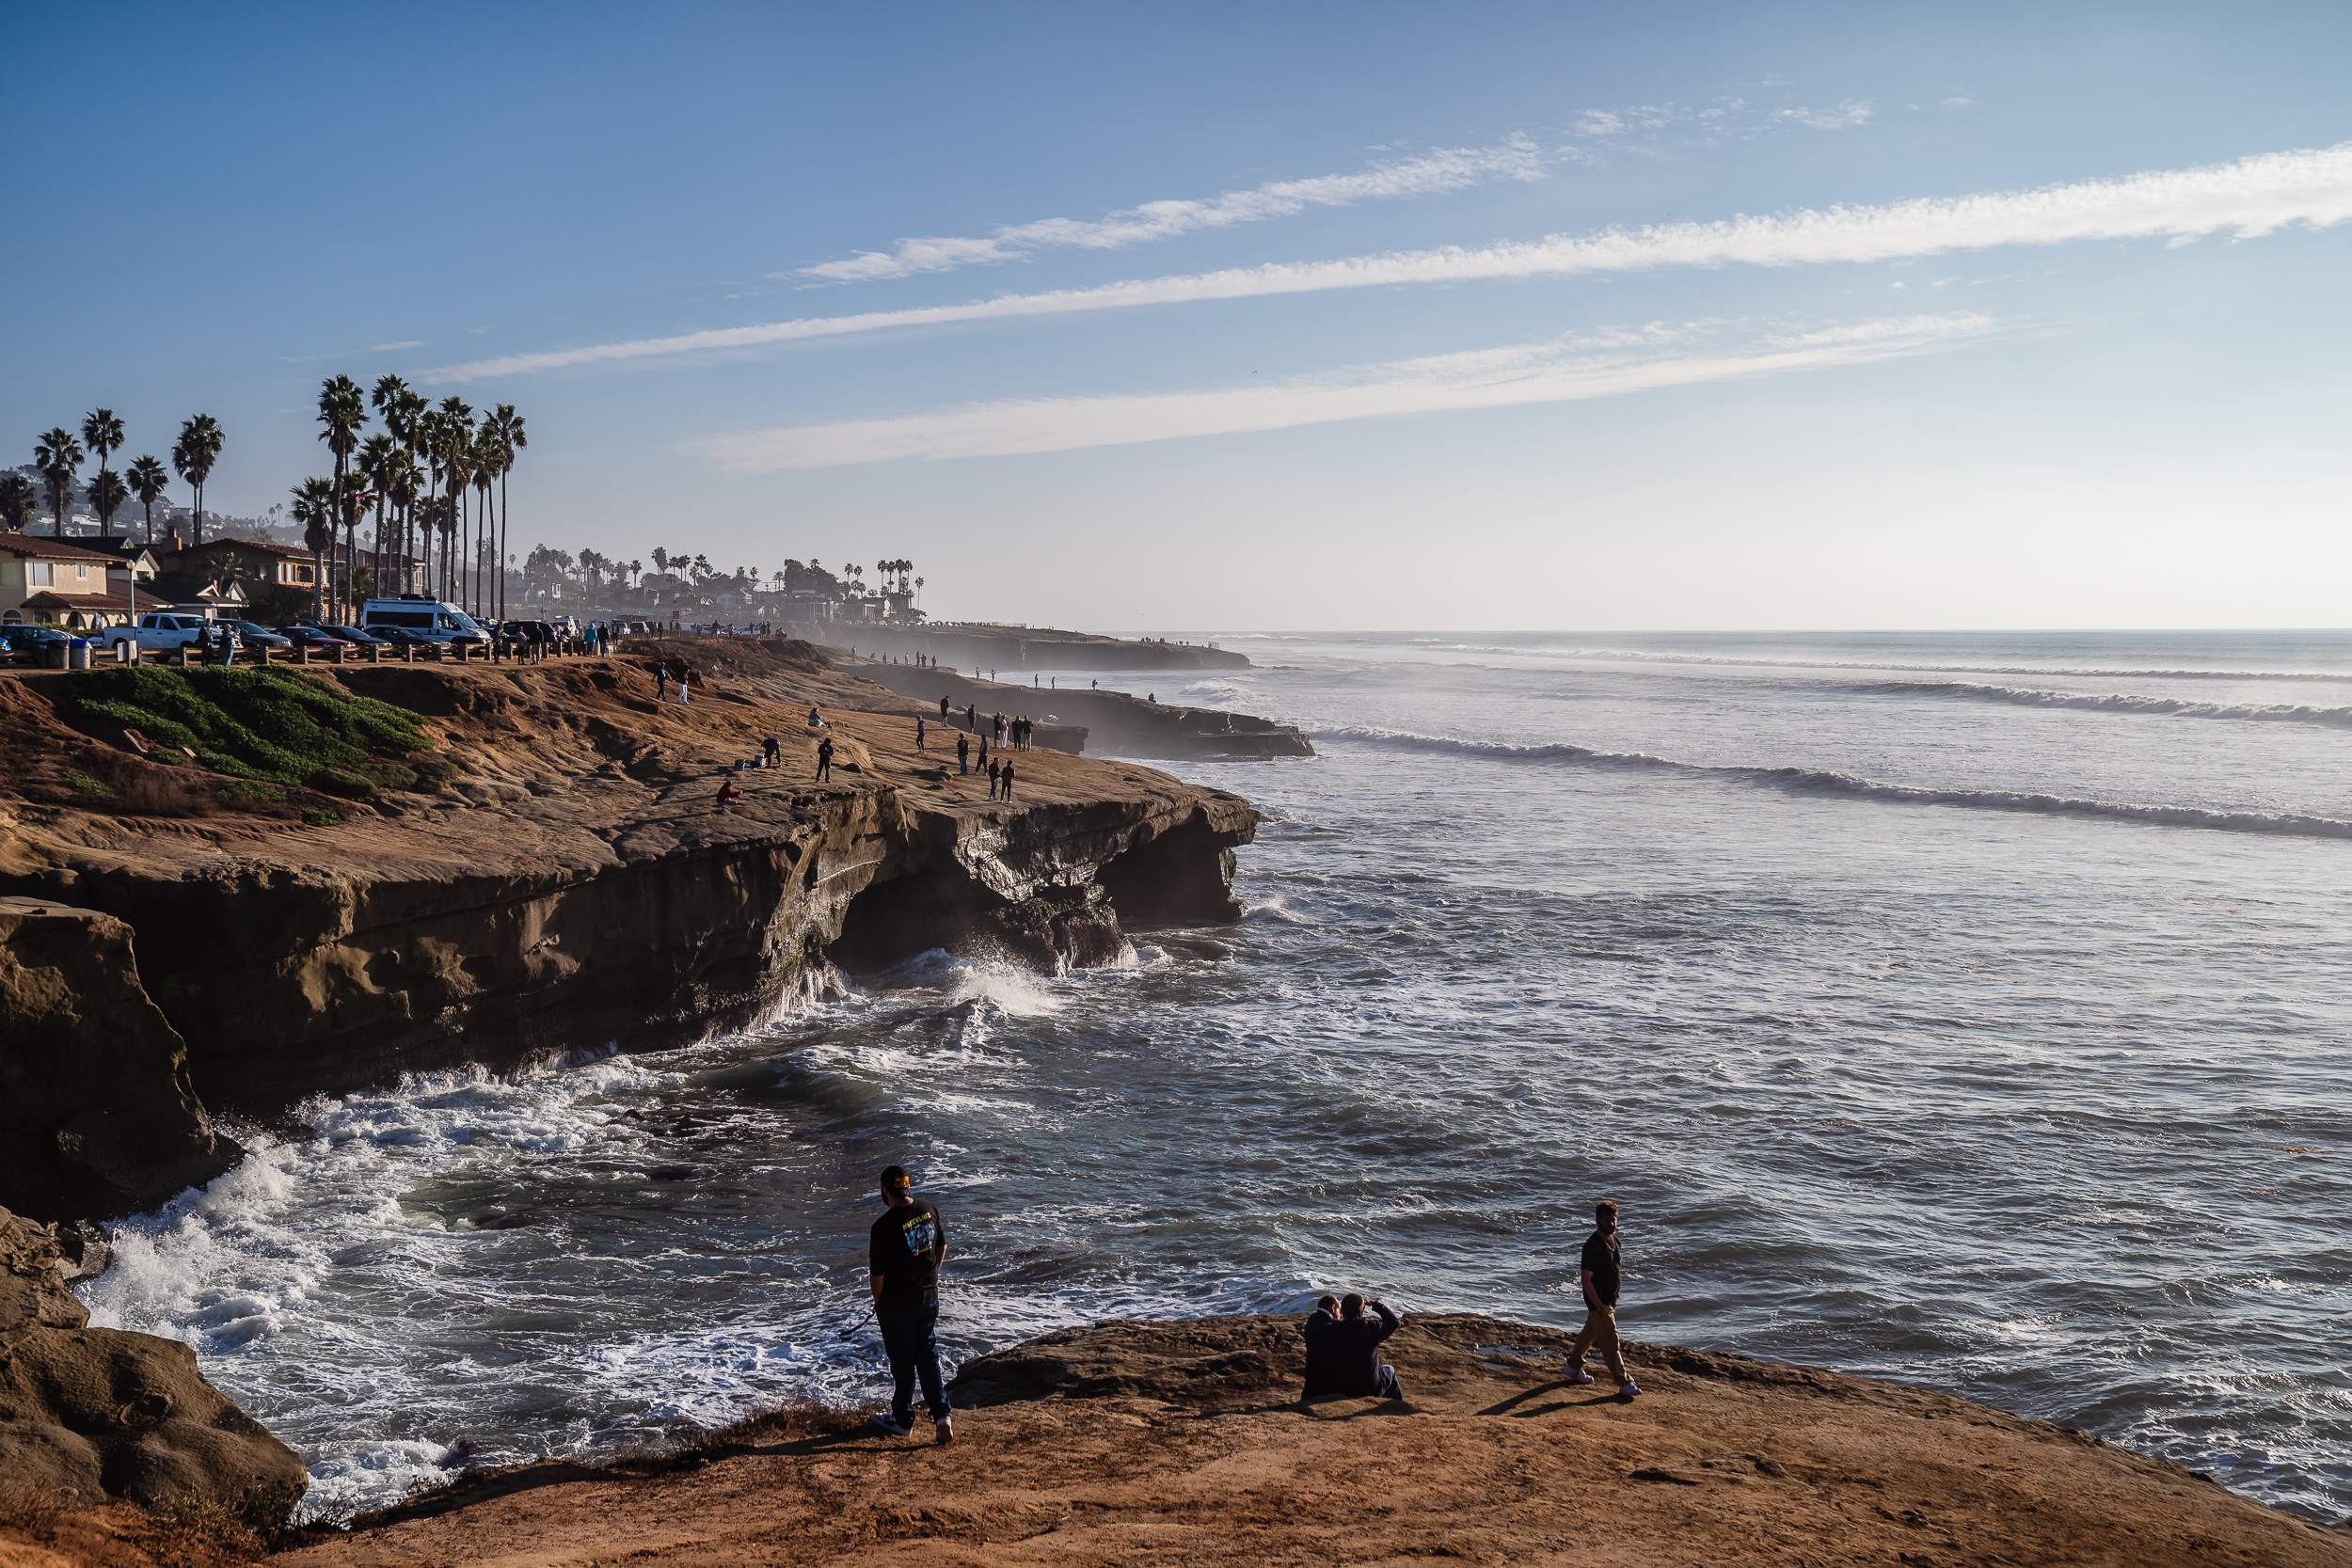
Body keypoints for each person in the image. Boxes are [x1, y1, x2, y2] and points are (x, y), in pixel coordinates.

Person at [867, 1164, 952, 1443]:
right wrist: (933, 1274)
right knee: (927, 1355)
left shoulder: (882, 1226)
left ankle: (903, 1419)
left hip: (896, 1305)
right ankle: (942, 1416)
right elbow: (942, 1246)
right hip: (929, 1298)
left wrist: (878, 1304)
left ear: (884, 1190)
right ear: (906, 1186)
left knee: (903, 1363)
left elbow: (877, 1275)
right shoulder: (929, 1209)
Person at [1565, 1200, 1639, 1398]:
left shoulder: (1615, 1241)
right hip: (1599, 1303)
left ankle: (1572, 1367)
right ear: (1597, 1221)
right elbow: (1586, 1279)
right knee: (1610, 1341)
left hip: (1609, 1301)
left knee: (1590, 1333)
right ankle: (1624, 1382)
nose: (1611, 1223)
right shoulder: (1592, 1246)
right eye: (1607, 1219)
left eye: (1614, 1219)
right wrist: (1597, 1305)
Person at [1301, 1292, 1403, 1400]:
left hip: (1334, 1387)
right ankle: (1396, 1407)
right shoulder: (1371, 1329)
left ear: (1342, 1311)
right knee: (1389, 1370)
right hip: (1368, 1389)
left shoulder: (1326, 1330)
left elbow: (1312, 1362)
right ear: (1360, 1312)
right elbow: (1394, 1321)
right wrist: (1374, 1304)